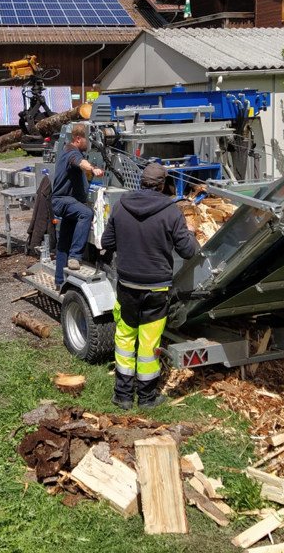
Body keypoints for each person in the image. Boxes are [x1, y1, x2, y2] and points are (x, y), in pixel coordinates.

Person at [100, 162, 197, 409]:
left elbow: (106, 241)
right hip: (156, 288)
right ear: (163, 185)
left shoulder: (122, 205)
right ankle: (146, 398)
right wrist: (191, 234)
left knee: (124, 338)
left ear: (141, 182)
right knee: (149, 344)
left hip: (127, 285)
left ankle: (122, 396)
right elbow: (187, 251)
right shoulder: (171, 211)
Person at [51, 123, 104, 285]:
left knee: (64, 242)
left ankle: (59, 280)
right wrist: (93, 169)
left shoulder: (69, 151)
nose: (88, 143)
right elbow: (80, 163)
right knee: (86, 213)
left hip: (69, 201)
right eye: (87, 140)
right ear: (78, 138)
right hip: (63, 200)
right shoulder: (71, 152)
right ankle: (75, 256)